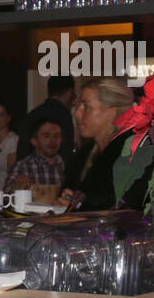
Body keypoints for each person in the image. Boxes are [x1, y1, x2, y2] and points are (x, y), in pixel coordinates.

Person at [60, 79, 141, 212]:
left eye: (86, 107)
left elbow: (122, 208)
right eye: (78, 106)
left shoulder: (131, 156)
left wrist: (79, 206)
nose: (77, 113)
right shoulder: (85, 154)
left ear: (111, 113)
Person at [18, 73, 76, 162]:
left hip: (29, 170)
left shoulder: (32, 114)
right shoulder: (64, 114)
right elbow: (66, 150)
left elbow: (22, 149)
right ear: (69, 91)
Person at [6, 117, 66, 194]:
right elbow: (6, 194)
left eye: (57, 136)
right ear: (34, 141)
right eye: (46, 136)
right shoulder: (23, 166)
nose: (53, 141)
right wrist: (17, 187)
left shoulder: (69, 166)